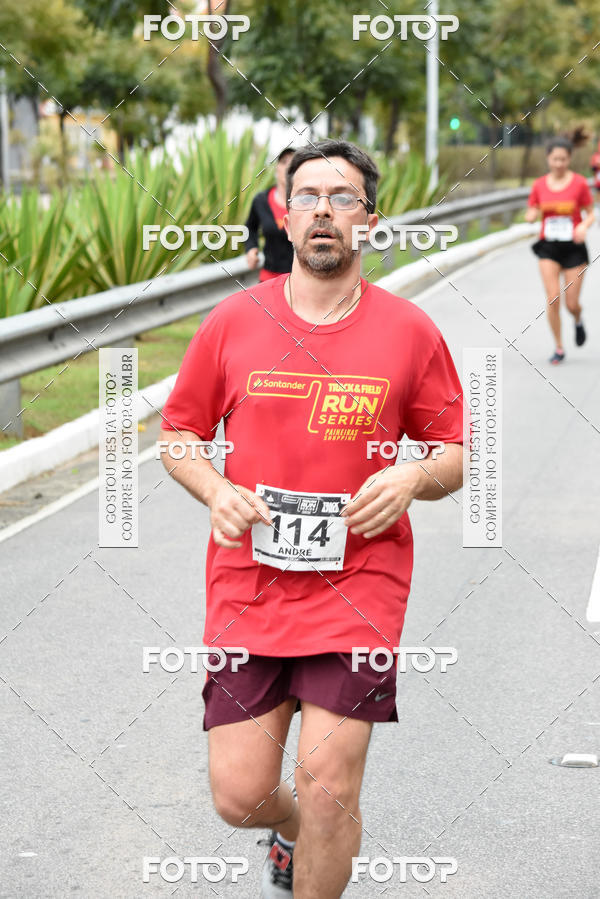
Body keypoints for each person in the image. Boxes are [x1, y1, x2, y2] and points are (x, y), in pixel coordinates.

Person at [159, 139, 464, 898]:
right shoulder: (232, 322)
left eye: (344, 196)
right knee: (241, 795)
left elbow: (457, 455)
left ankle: (317, 835)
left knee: (328, 785)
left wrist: (413, 474)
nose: (323, 209)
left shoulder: (410, 332)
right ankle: (290, 833)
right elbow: (179, 437)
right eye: (308, 196)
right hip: (248, 587)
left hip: (359, 586)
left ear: (371, 220)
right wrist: (215, 489)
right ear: (284, 214)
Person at [525, 137, 595, 364]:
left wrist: (583, 226)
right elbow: (533, 207)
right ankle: (559, 347)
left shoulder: (579, 184)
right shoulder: (539, 185)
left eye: (563, 159)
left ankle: (577, 319)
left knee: (571, 303)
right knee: (553, 297)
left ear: (569, 159)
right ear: (548, 158)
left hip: (573, 248)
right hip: (549, 247)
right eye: (555, 159)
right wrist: (531, 215)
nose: (559, 163)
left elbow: (590, 212)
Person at [245, 148, 295, 281]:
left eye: (293, 162)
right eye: (284, 162)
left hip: (299, 281)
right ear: (276, 169)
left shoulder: (308, 202)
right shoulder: (261, 201)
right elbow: (250, 227)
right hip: (268, 279)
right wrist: (251, 248)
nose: (288, 167)